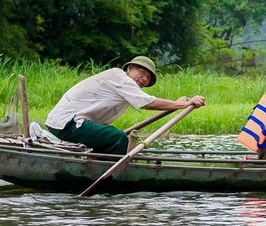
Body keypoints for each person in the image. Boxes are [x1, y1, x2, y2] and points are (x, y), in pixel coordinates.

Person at [45, 56, 205, 155]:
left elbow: (146, 99)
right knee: (118, 138)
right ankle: (114, 177)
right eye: (142, 73)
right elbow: (147, 103)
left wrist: (178, 103)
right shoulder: (120, 77)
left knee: (113, 140)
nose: (144, 79)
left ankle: (105, 168)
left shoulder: (126, 88)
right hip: (67, 124)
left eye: (148, 78)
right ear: (129, 69)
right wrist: (182, 104)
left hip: (64, 124)